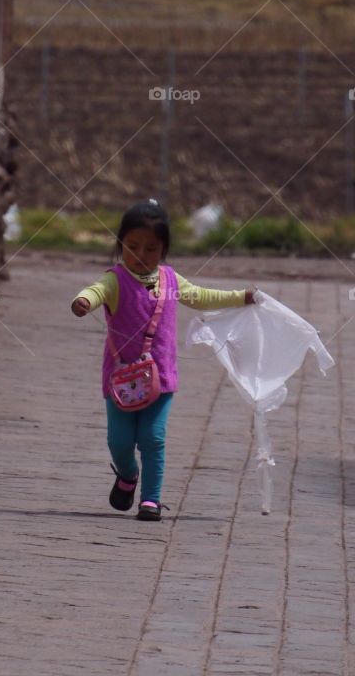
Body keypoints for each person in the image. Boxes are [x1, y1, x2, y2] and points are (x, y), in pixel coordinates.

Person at [71, 197, 256, 522]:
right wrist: (83, 302)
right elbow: (95, 290)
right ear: (120, 245)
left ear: (164, 250)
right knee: (120, 441)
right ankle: (128, 475)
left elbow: (200, 296)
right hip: (120, 381)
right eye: (132, 246)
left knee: (153, 438)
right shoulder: (115, 281)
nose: (140, 255)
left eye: (151, 249)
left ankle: (151, 500)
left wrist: (241, 297)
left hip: (160, 379)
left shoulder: (171, 282)